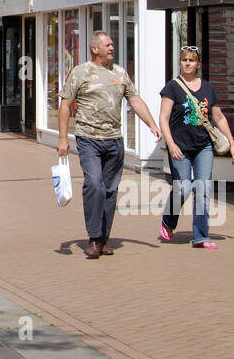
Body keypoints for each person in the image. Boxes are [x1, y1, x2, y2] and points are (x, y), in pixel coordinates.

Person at [57, 30, 162, 260]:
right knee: (94, 185)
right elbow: (65, 104)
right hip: (88, 139)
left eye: (112, 44)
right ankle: (93, 238)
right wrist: (63, 138)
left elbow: (135, 100)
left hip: (114, 141)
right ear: (95, 48)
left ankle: (104, 239)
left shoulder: (120, 73)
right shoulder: (81, 72)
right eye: (108, 45)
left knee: (110, 191)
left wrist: (152, 124)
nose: (112, 48)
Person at [159, 45, 234, 249]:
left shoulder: (208, 88)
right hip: (180, 147)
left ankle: (201, 236)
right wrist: (170, 144)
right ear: (180, 62)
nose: (187, 63)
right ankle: (169, 220)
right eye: (184, 59)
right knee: (183, 188)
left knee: (203, 189)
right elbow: (164, 118)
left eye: (191, 60)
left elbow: (218, 117)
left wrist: (232, 143)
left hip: (203, 147)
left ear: (198, 64)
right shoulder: (173, 87)